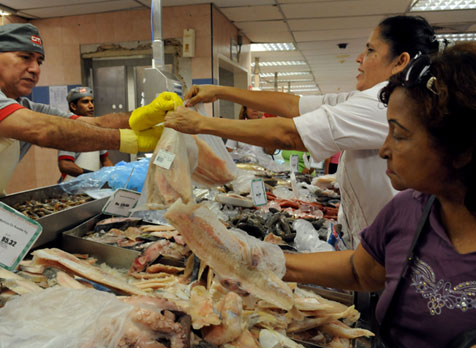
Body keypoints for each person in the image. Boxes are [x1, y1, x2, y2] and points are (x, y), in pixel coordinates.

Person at [165, 15, 439, 248]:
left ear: (400, 61)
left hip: (391, 248)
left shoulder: (384, 104)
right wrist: (221, 91)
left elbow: (290, 135)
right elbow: (293, 105)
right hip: (371, 243)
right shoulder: (370, 99)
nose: (359, 58)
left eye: (370, 51)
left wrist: (201, 124)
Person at [284, 43, 476, 347]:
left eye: (398, 135)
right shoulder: (408, 208)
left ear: (461, 148)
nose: (384, 149)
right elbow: (360, 271)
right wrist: (267, 262)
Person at [0, 23, 181, 201]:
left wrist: (144, 115)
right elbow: (42, 129)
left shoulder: (23, 105)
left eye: (39, 61)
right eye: (25, 57)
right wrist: (128, 140)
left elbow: (93, 123)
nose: (35, 69)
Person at [57, 87, 113, 182]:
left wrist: (114, 174)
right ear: (73, 106)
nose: (91, 106)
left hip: (91, 187)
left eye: (92, 101)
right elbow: (65, 165)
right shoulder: (69, 132)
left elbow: (105, 160)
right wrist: (90, 175)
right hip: (72, 189)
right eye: (85, 102)